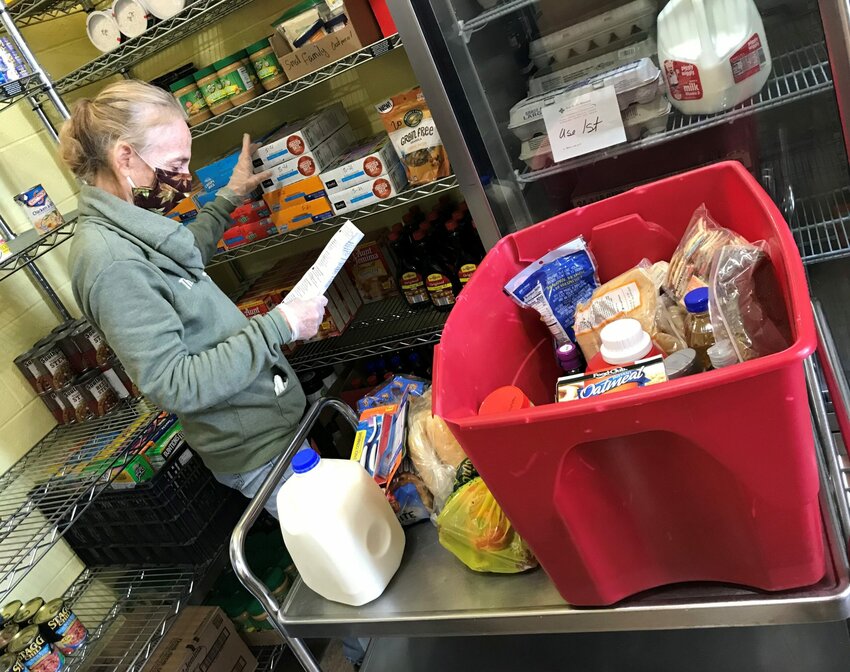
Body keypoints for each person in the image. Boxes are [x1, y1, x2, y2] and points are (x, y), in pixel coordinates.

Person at [61, 80, 328, 515]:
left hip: (275, 424)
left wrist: (230, 198)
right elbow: (175, 384)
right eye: (176, 163)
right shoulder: (111, 262)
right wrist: (279, 326)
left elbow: (182, 260)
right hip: (257, 452)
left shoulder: (128, 224)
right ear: (125, 156)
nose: (186, 179)